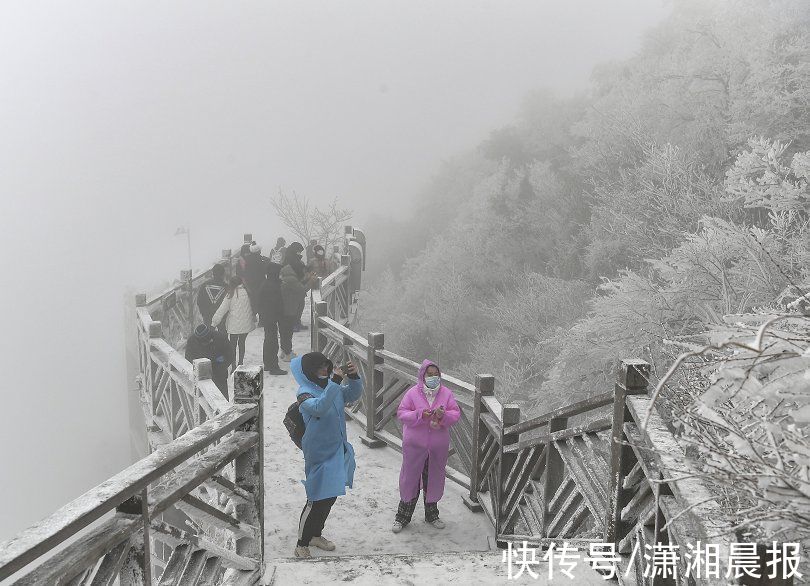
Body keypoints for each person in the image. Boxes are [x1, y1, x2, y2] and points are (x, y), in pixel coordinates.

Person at [291, 352, 363, 558]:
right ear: (309, 371)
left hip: (336, 447)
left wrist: (354, 377)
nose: (325, 370)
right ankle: (301, 543)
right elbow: (320, 408)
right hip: (318, 452)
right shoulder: (304, 393)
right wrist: (336, 382)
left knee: (329, 495)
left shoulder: (332, 386)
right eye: (319, 367)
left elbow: (352, 395)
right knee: (315, 498)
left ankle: (315, 535)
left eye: (326, 366)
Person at [392, 359, 460, 533]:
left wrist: (442, 416)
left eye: (436, 374)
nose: (433, 377)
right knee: (411, 480)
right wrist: (420, 414)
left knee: (433, 479)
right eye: (429, 374)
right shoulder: (412, 393)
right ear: (422, 375)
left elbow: (455, 414)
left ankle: (432, 515)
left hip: (437, 447)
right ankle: (402, 517)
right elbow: (402, 413)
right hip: (414, 445)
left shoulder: (446, 393)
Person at [280, 243, 317, 355]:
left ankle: (284, 351)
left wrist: (306, 277)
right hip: (289, 302)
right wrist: (310, 281)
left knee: (286, 329)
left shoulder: (290, 269)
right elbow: (300, 287)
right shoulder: (291, 269)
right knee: (287, 329)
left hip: (289, 301)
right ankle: (287, 352)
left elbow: (298, 281)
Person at [212, 276, 255, 367]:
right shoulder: (247, 292)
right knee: (242, 343)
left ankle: (234, 366)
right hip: (246, 323)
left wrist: (214, 322)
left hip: (234, 324)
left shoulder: (230, 294)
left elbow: (222, 310)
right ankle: (241, 363)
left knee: (233, 345)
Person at [184, 324, 233, 399]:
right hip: (201, 377)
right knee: (203, 400)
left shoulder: (221, 337)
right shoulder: (192, 341)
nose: (205, 344)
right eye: (203, 343)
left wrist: (222, 364)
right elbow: (188, 358)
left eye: (208, 341)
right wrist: (198, 367)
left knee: (222, 399)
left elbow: (230, 354)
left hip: (219, 375)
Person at [257, 260, 288, 376]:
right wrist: (281, 318)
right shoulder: (273, 286)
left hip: (267, 316)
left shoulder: (266, 283)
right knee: (272, 342)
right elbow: (277, 304)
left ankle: (268, 364)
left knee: (268, 340)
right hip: (272, 317)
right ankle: (273, 366)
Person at [197, 263, 228, 331]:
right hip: (222, 316)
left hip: (208, 316)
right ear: (223, 275)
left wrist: (204, 313)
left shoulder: (204, 285)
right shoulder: (226, 287)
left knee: (208, 335)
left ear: (213, 274)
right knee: (223, 336)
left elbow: (199, 301)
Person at [242, 243, 267, 314]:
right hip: (260, 282)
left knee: (251, 299)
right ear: (258, 251)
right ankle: (260, 317)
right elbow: (265, 270)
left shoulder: (246, 259)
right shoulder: (261, 259)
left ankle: (252, 314)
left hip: (249, 282)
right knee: (260, 299)